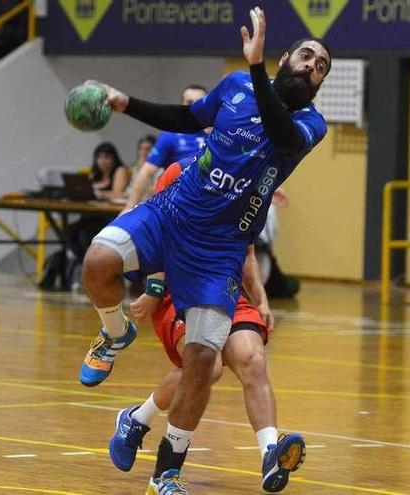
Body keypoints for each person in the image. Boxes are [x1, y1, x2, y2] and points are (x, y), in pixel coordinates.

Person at [78, 7, 330, 493]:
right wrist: (124, 102)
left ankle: (166, 473)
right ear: (285, 59)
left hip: (218, 251)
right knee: (97, 261)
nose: (312, 66)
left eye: (321, 66)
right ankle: (113, 334)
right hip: (172, 213)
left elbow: (279, 133)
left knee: (201, 363)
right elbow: (185, 117)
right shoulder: (235, 86)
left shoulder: (309, 125)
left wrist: (257, 67)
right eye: (306, 55)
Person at [108, 163, 305, 492]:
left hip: (225, 286)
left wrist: (261, 298)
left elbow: (248, 253)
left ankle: (270, 452)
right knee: (207, 367)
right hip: (180, 289)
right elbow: (158, 239)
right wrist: (154, 291)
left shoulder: (251, 181)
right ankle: (146, 436)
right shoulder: (179, 173)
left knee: (252, 360)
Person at [123, 85, 208, 211]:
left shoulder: (220, 135)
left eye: (198, 102)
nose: (194, 106)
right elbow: (146, 172)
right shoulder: (170, 136)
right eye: (189, 102)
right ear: (181, 105)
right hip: (177, 207)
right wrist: (129, 207)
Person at [64, 142, 129, 261]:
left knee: (85, 235)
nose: (102, 161)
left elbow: (118, 193)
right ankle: (83, 263)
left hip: (108, 217)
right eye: (99, 157)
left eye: (106, 157)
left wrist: (101, 194)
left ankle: (92, 265)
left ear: (114, 158)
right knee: (70, 231)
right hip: (90, 216)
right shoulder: (94, 174)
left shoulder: (120, 170)